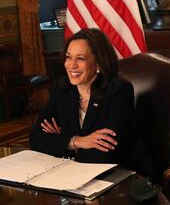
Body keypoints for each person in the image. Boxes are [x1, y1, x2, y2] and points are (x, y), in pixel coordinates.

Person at [29, 28, 135, 164]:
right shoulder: (63, 89)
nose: (71, 65)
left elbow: (108, 152)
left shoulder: (118, 91)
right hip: (74, 173)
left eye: (80, 58)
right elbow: (36, 139)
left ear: (98, 62)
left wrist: (61, 141)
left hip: (118, 173)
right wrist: (77, 141)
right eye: (68, 57)